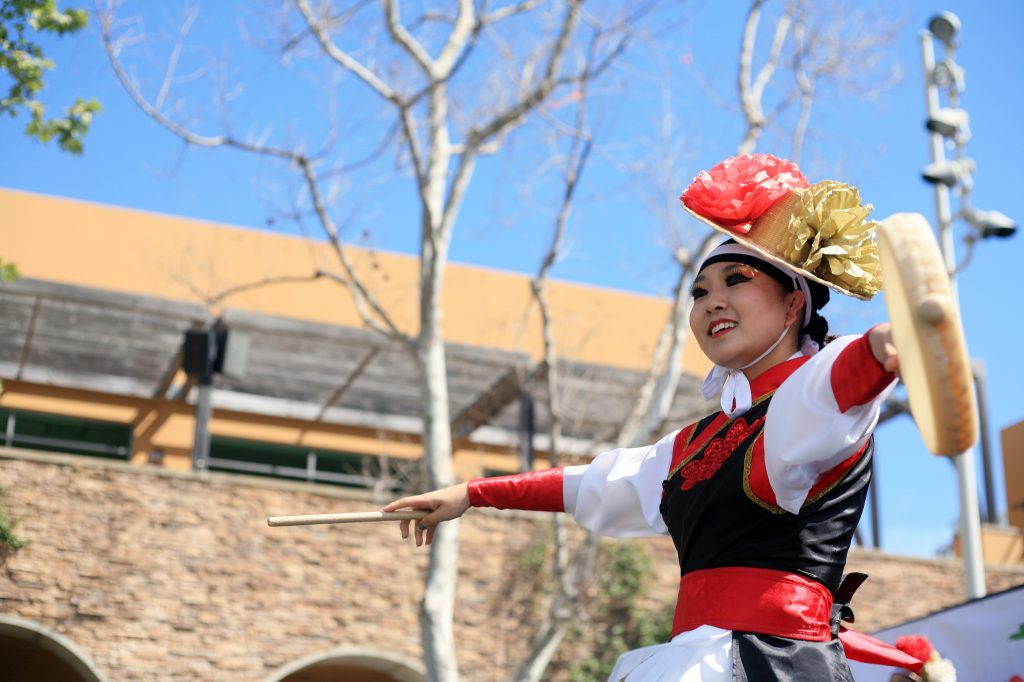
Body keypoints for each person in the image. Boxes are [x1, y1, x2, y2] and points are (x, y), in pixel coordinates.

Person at [383, 154, 924, 680]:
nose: (712, 302)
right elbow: (592, 483)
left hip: (775, 665)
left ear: (793, 305)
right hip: (695, 656)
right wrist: (471, 494)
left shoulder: (804, 402)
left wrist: (890, 342)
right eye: (699, 292)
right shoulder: (691, 444)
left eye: (737, 280)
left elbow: (841, 379)